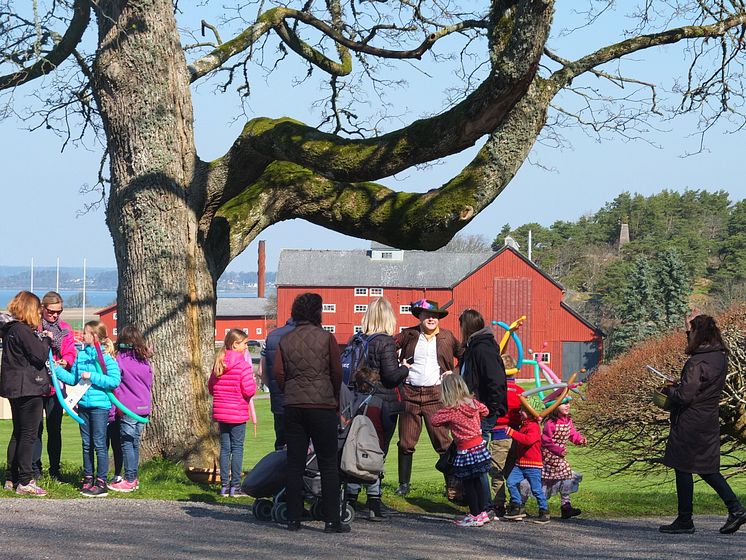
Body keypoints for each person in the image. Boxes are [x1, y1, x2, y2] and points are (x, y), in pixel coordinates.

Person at [659, 312, 746, 535]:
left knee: (682, 467)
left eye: (689, 332)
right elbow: (701, 389)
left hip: (689, 422)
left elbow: (685, 396)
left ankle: (685, 519)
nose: (687, 336)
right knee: (707, 468)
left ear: (698, 333)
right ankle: (735, 509)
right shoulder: (720, 357)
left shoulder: (696, 362)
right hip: (708, 420)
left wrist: (670, 390)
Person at [274, 293, 350, 533]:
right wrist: (333, 396)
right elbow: (337, 373)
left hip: (294, 406)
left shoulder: (285, 340)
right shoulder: (326, 338)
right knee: (328, 463)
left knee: (294, 462)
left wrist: (291, 390)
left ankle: (293, 518)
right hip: (322, 406)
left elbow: (278, 373)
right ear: (317, 312)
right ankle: (331, 520)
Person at [344, 297, 408, 519]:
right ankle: (374, 500)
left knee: (355, 446)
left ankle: (350, 496)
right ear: (388, 317)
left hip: (358, 400)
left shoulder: (357, 339)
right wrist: (405, 369)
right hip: (383, 401)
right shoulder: (386, 342)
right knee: (377, 450)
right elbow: (390, 376)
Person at [395, 299, 461, 495]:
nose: (431, 318)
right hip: (409, 393)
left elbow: (464, 354)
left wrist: (454, 372)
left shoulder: (447, 337)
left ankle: (452, 487)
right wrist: (398, 367)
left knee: (443, 442)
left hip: (436, 395)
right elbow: (386, 348)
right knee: (406, 442)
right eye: (427, 315)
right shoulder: (408, 334)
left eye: (435, 315)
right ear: (419, 316)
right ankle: (404, 485)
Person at [54, 320, 120, 497]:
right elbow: (73, 379)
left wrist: (92, 375)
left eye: (85, 333)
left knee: (99, 443)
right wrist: (57, 371)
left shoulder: (105, 358)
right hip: (83, 406)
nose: (82, 336)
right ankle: (88, 477)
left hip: (100, 407)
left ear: (95, 336)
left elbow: (114, 381)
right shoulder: (81, 356)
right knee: (86, 444)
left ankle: (101, 480)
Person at [0, 291, 53, 496]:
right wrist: (46, 341)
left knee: (18, 432)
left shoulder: (10, 330)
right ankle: (25, 480)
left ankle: (11, 477)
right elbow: (39, 356)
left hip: (14, 388)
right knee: (29, 434)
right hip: (28, 388)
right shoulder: (23, 330)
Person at [458, 309, 508, 516]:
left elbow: (495, 381)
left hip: (481, 412)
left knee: (477, 461)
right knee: (473, 460)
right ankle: (478, 505)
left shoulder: (482, 348)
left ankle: (484, 507)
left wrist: (489, 410)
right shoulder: (474, 347)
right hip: (473, 410)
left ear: (466, 326)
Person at [431, 373, 492, 527]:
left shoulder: (452, 409)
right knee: (478, 480)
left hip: (465, 449)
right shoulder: (474, 403)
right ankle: (482, 513)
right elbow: (486, 411)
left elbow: (434, 420)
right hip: (479, 446)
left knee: (468, 484)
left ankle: (474, 514)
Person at [32, 291, 76, 481]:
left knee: (54, 428)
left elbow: (70, 351)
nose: (55, 315)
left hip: (55, 385)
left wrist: (66, 361)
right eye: (51, 311)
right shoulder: (34, 326)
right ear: (43, 309)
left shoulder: (65, 329)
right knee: (35, 429)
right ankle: (35, 469)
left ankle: (55, 470)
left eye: (59, 312)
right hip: (36, 384)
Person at [208, 328, 257, 497]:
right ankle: (235, 486)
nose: (246, 347)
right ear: (236, 344)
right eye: (244, 343)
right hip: (237, 412)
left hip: (222, 412)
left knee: (225, 448)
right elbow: (249, 391)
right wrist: (253, 383)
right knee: (237, 448)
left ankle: (224, 486)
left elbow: (211, 388)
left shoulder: (219, 362)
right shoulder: (243, 365)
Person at [108, 325, 154, 492]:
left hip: (128, 408)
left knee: (127, 443)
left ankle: (129, 479)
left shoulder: (120, 360)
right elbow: (149, 383)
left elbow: (115, 385)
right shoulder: (144, 360)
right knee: (134, 442)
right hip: (143, 408)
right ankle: (133, 477)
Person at [489, 354, 524, 518]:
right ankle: (516, 503)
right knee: (512, 471)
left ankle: (498, 504)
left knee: (497, 471)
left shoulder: (496, 392)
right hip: (517, 435)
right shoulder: (521, 392)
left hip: (500, 434)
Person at [541, 400, 586, 519]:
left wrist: (580, 440)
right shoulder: (550, 423)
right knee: (546, 481)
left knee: (567, 477)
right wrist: (557, 450)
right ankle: (542, 507)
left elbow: (572, 434)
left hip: (560, 457)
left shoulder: (567, 420)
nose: (568, 406)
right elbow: (546, 441)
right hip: (549, 456)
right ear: (555, 407)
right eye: (564, 403)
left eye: (568, 403)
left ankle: (566, 506)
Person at [504, 407, 550, 524]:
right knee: (511, 482)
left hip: (533, 465)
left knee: (536, 489)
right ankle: (517, 506)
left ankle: (544, 511)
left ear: (530, 413)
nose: (520, 412)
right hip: (520, 464)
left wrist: (512, 432)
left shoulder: (534, 426)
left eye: (523, 410)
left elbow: (528, 440)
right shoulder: (524, 425)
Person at [260, 318, 295, 450]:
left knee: (281, 443)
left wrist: (274, 389)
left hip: (279, 400)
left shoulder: (271, 336)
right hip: (304, 401)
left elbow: (261, 371)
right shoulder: (310, 335)